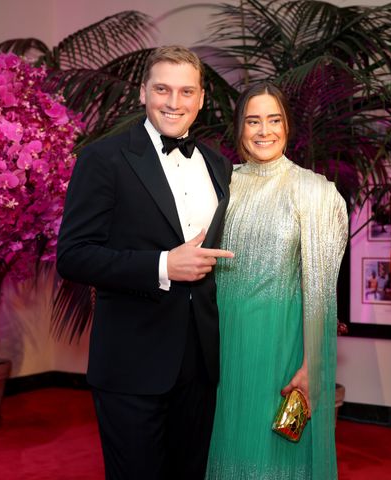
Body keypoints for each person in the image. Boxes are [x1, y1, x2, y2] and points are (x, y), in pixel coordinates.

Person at [57, 45, 233, 480]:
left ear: (201, 98)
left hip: (202, 363)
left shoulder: (219, 165)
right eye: (162, 89)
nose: (174, 102)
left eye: (186, 91)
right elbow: (74, 255)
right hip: (131, 364)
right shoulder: (103, 159)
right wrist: (161, 266)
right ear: (142, 93)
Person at [206, 82, 349, 479]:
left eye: (274, 120)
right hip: (220, 346)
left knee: (272, 459)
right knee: (222, 449)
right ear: (239, 127)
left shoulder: (314, 192)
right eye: (253, 120)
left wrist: (312, 366)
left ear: (288, 127)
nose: (264, 131)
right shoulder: (220, 186)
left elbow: (321, 291)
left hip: (281, 349)